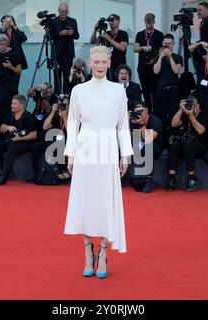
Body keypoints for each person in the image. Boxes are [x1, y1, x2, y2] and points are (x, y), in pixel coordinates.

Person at [64, 46, 133, 278]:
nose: (100, 65)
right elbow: (72, 123)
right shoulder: (78, 90)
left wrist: (126, 154)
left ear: (110, 62)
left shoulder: (117, 90)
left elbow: (123, 124)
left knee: (105, 201)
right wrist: (71, 155)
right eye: (96, 62)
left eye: (104, 61)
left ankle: (103, 251)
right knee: (85, 200)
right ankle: (87, 249)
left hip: (107, 148)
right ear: (90, 63)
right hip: (84, 148)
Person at [0, 95, 37, 186]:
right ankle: (5, 170)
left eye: (15, 104)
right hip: (11, 140)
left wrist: (20, 138)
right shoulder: (10, 115)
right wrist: (8, 127)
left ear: (22, 105)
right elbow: (1, 129)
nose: (12, 106)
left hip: (25, 142)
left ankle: (4, 177)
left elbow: (34, 135)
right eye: (12, 103)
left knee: (12, 149)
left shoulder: (28, 117)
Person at [166, 96, 208, 192]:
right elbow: (174, 124)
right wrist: (181, 110)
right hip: (186, 145)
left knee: (187, 144)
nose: (190, 107)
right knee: (174, 144)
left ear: (197, 106)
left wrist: (191, 116)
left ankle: (192, 177)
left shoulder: (205, 114)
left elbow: (201, 131)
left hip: (201, 145)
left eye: (192, 105)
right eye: (188, 105)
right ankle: (171, 177)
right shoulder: (185, 113)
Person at [153, 34, 183, 143]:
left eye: (169, 44)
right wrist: (161, 57)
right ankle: (160, 141)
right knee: (159, 116)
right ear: (162, 43)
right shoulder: (157, 57)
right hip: (161, 90)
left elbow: (176, 70)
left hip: (173, 90)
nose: (167, 46)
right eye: (165, 43)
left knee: (173, 115)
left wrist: (170, 56)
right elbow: (156, 71)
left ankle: (172, 140)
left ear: (173, 44)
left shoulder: (177, 57)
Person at [128, 101, 163, 193]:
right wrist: (127, 122)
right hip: (140, 145)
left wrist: (142, 125)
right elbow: (128, 139)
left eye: (142, 111)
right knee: (130, 146)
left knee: (148, 147)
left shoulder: (155, 121)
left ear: (147, 110)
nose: (140, 113)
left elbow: (148, 139)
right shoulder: (134, 120)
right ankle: (134, 179)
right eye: (137, 111)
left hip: (155, 147)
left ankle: (149, 180)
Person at [134, 13, 164, 113]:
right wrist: (143, 48)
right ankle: (148, 114)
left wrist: (156, 57)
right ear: (144, 21)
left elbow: (161, 49)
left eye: (150, 22)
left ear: (154, 22)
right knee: (146, 92)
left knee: (155, 92)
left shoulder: (159, 34)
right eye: (147, 22)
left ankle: (156, 114)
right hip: (142, 67)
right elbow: (135, 48)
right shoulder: (140, 34)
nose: (148, 24)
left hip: (154, 66)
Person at [51, 2, 80, 94]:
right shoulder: (53, 21)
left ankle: (67, 96)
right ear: (58, 11)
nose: (64, 13)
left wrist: (73, 32)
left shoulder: (72, 21)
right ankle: (57, 96)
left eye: (65, 12)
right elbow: (50, 36)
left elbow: (77, 36)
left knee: (67, 76)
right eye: (62, 11)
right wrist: (60, 33)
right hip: (56, 53)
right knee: (57, 76)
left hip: (68, 53)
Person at [90, 14, 129, 81]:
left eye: (113, 20)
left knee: (118, 85)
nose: (111, 22)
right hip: (107, 65)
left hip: (119, 65)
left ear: (118, 21)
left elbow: (123, 48)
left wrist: (109, 39)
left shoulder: (123, 33)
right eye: (110, 20)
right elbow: (93, 41)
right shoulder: (106, 33)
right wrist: (95, 30)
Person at [0, 34, 21, 115]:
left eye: (4, 44)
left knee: (8, 109)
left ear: (7, 43)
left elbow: (19, 71)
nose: (2, 46)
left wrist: (11, 67)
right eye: (0, 44)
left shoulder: (13, 54)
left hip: (9, 86)